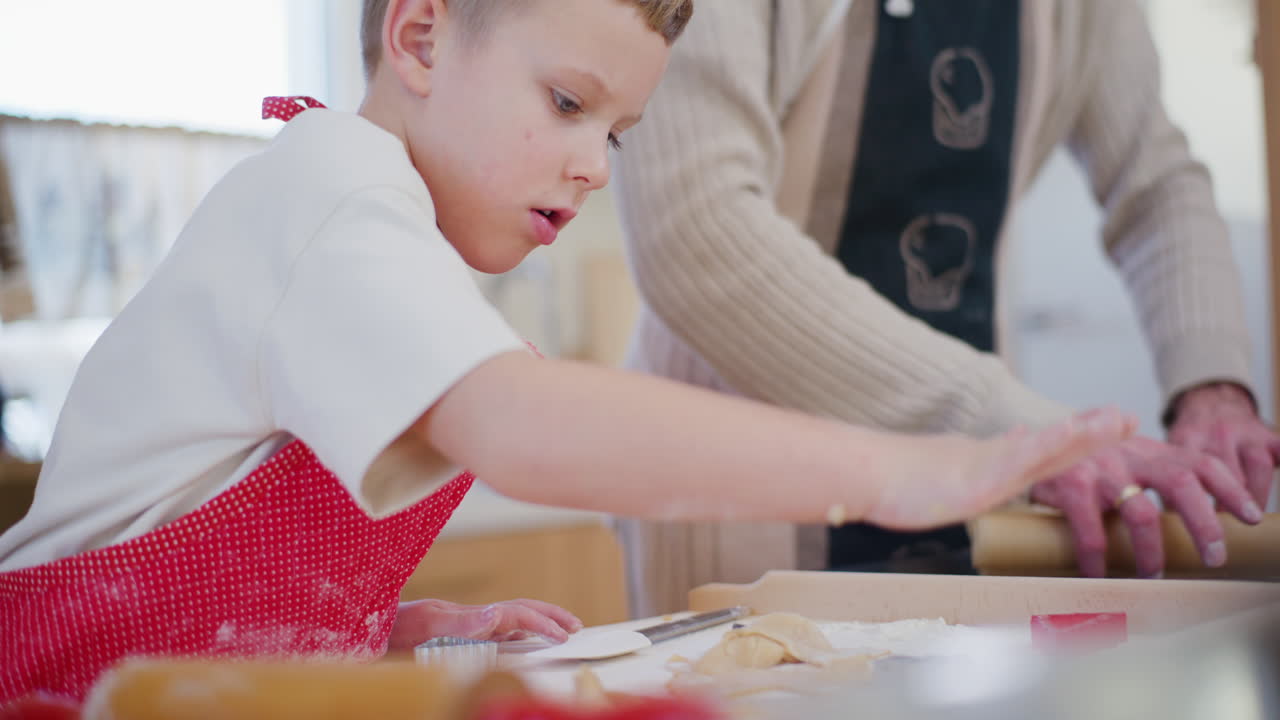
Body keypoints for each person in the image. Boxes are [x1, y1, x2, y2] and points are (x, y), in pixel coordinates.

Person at [0, 0, 1133, 706]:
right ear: (420, 35)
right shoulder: (332, 193)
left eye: (618, 133)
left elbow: (192, 556)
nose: (595, 165)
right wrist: (897, 468)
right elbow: (526, 426)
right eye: (566, 101)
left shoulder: (377, 236)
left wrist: (370, 628)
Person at [611, 0, 1279, 616]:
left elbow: (1157, 181)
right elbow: (697, 233)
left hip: (981, 500)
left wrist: (1213, 384)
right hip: (747, 497)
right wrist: (1015, 435)